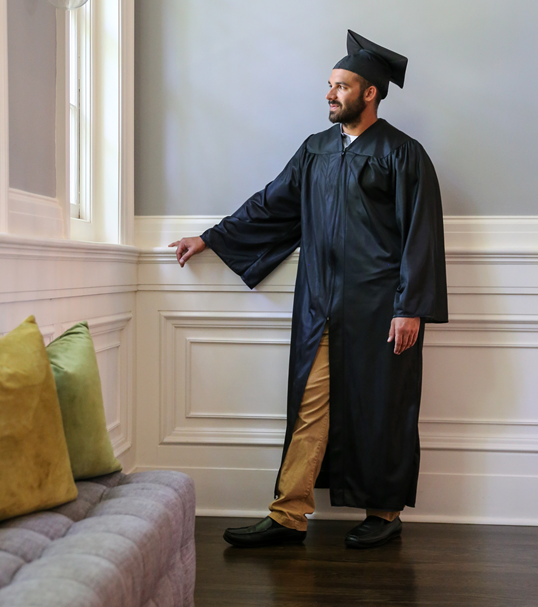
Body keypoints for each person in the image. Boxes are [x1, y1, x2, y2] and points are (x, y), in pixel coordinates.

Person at [171, 30, 448, 549]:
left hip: (380, 308)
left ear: (369, 93)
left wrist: (411, 306)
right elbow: (271, 204)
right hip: (319, 303)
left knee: (381, 407)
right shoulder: (316, 151)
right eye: (329, 85)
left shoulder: (402, 154)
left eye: (340, 86)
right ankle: (287, 513)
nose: (329, 94)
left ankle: (384, 514)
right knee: (308, 405)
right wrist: (209, 238)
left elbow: (421, 234)